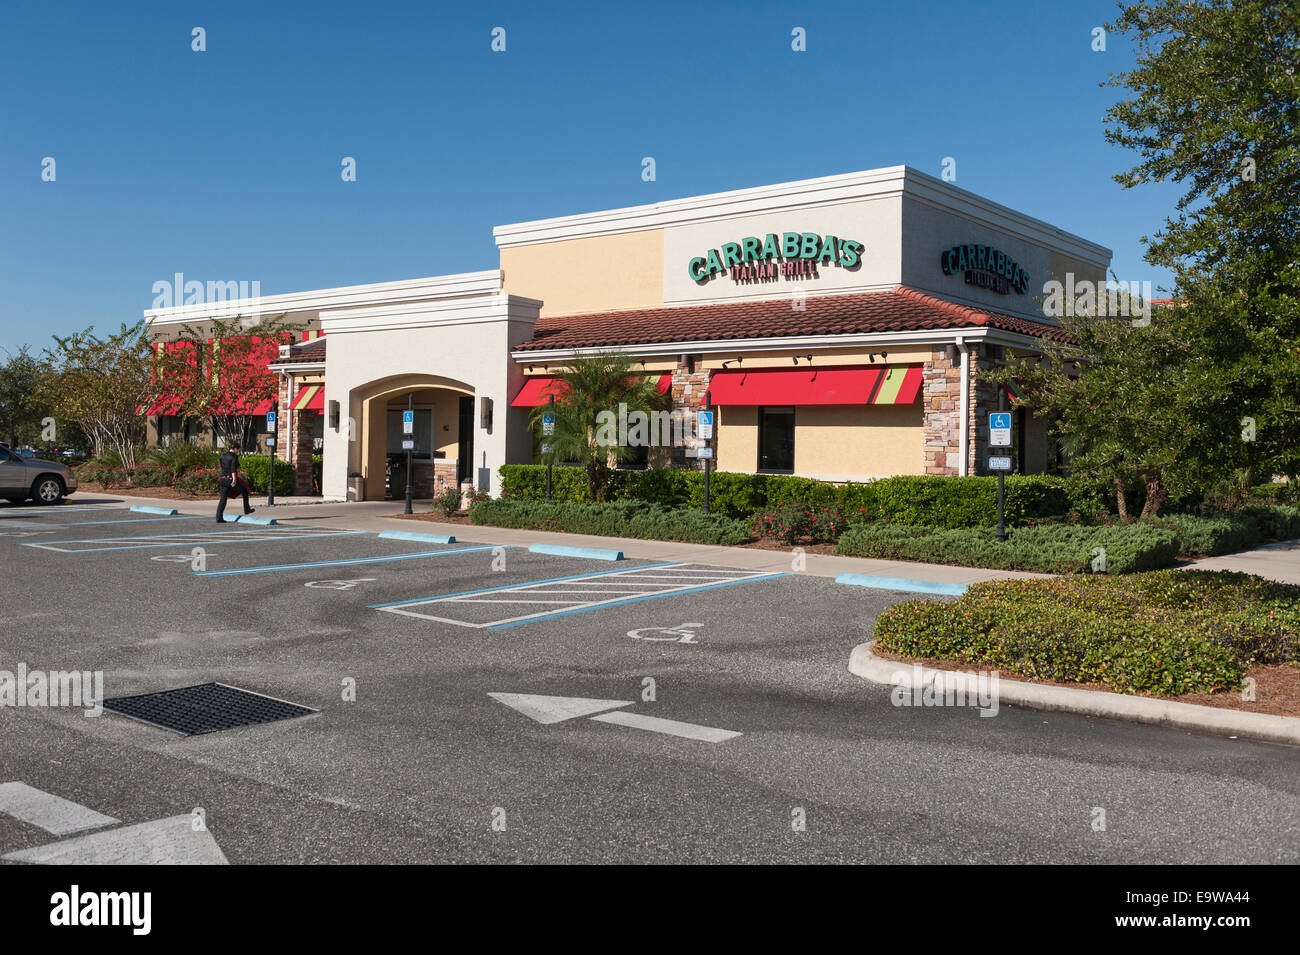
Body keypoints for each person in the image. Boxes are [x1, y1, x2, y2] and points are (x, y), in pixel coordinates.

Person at [215, 441, 255, 523]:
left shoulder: (222, 456)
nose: (238, 451)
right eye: (238, 450)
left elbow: (223, 467)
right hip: (230, 479)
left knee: (223, 499)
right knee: (245, 491)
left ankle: (219, 517)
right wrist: (234, 480)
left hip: (222, 479)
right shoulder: (234, 457)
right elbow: (233, 469)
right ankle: (247, 509)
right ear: (235, 449)